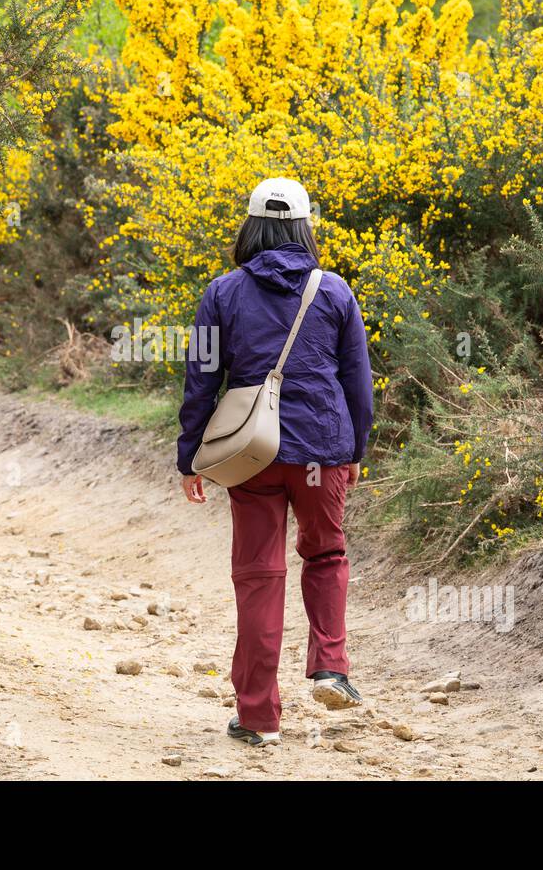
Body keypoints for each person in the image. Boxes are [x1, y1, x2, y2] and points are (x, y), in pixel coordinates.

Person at [177, 177, 374, 747]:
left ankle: (259, 716)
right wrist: (355, 449)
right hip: (322, 449)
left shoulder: (222, 292)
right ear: (304, 226)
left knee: (259, 575)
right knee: (327, 552)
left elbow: (201, 379)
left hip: (252, 453)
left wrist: (191, 457)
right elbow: (358, 383)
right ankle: (331, 667)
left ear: (252, 225)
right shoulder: (333, 290)